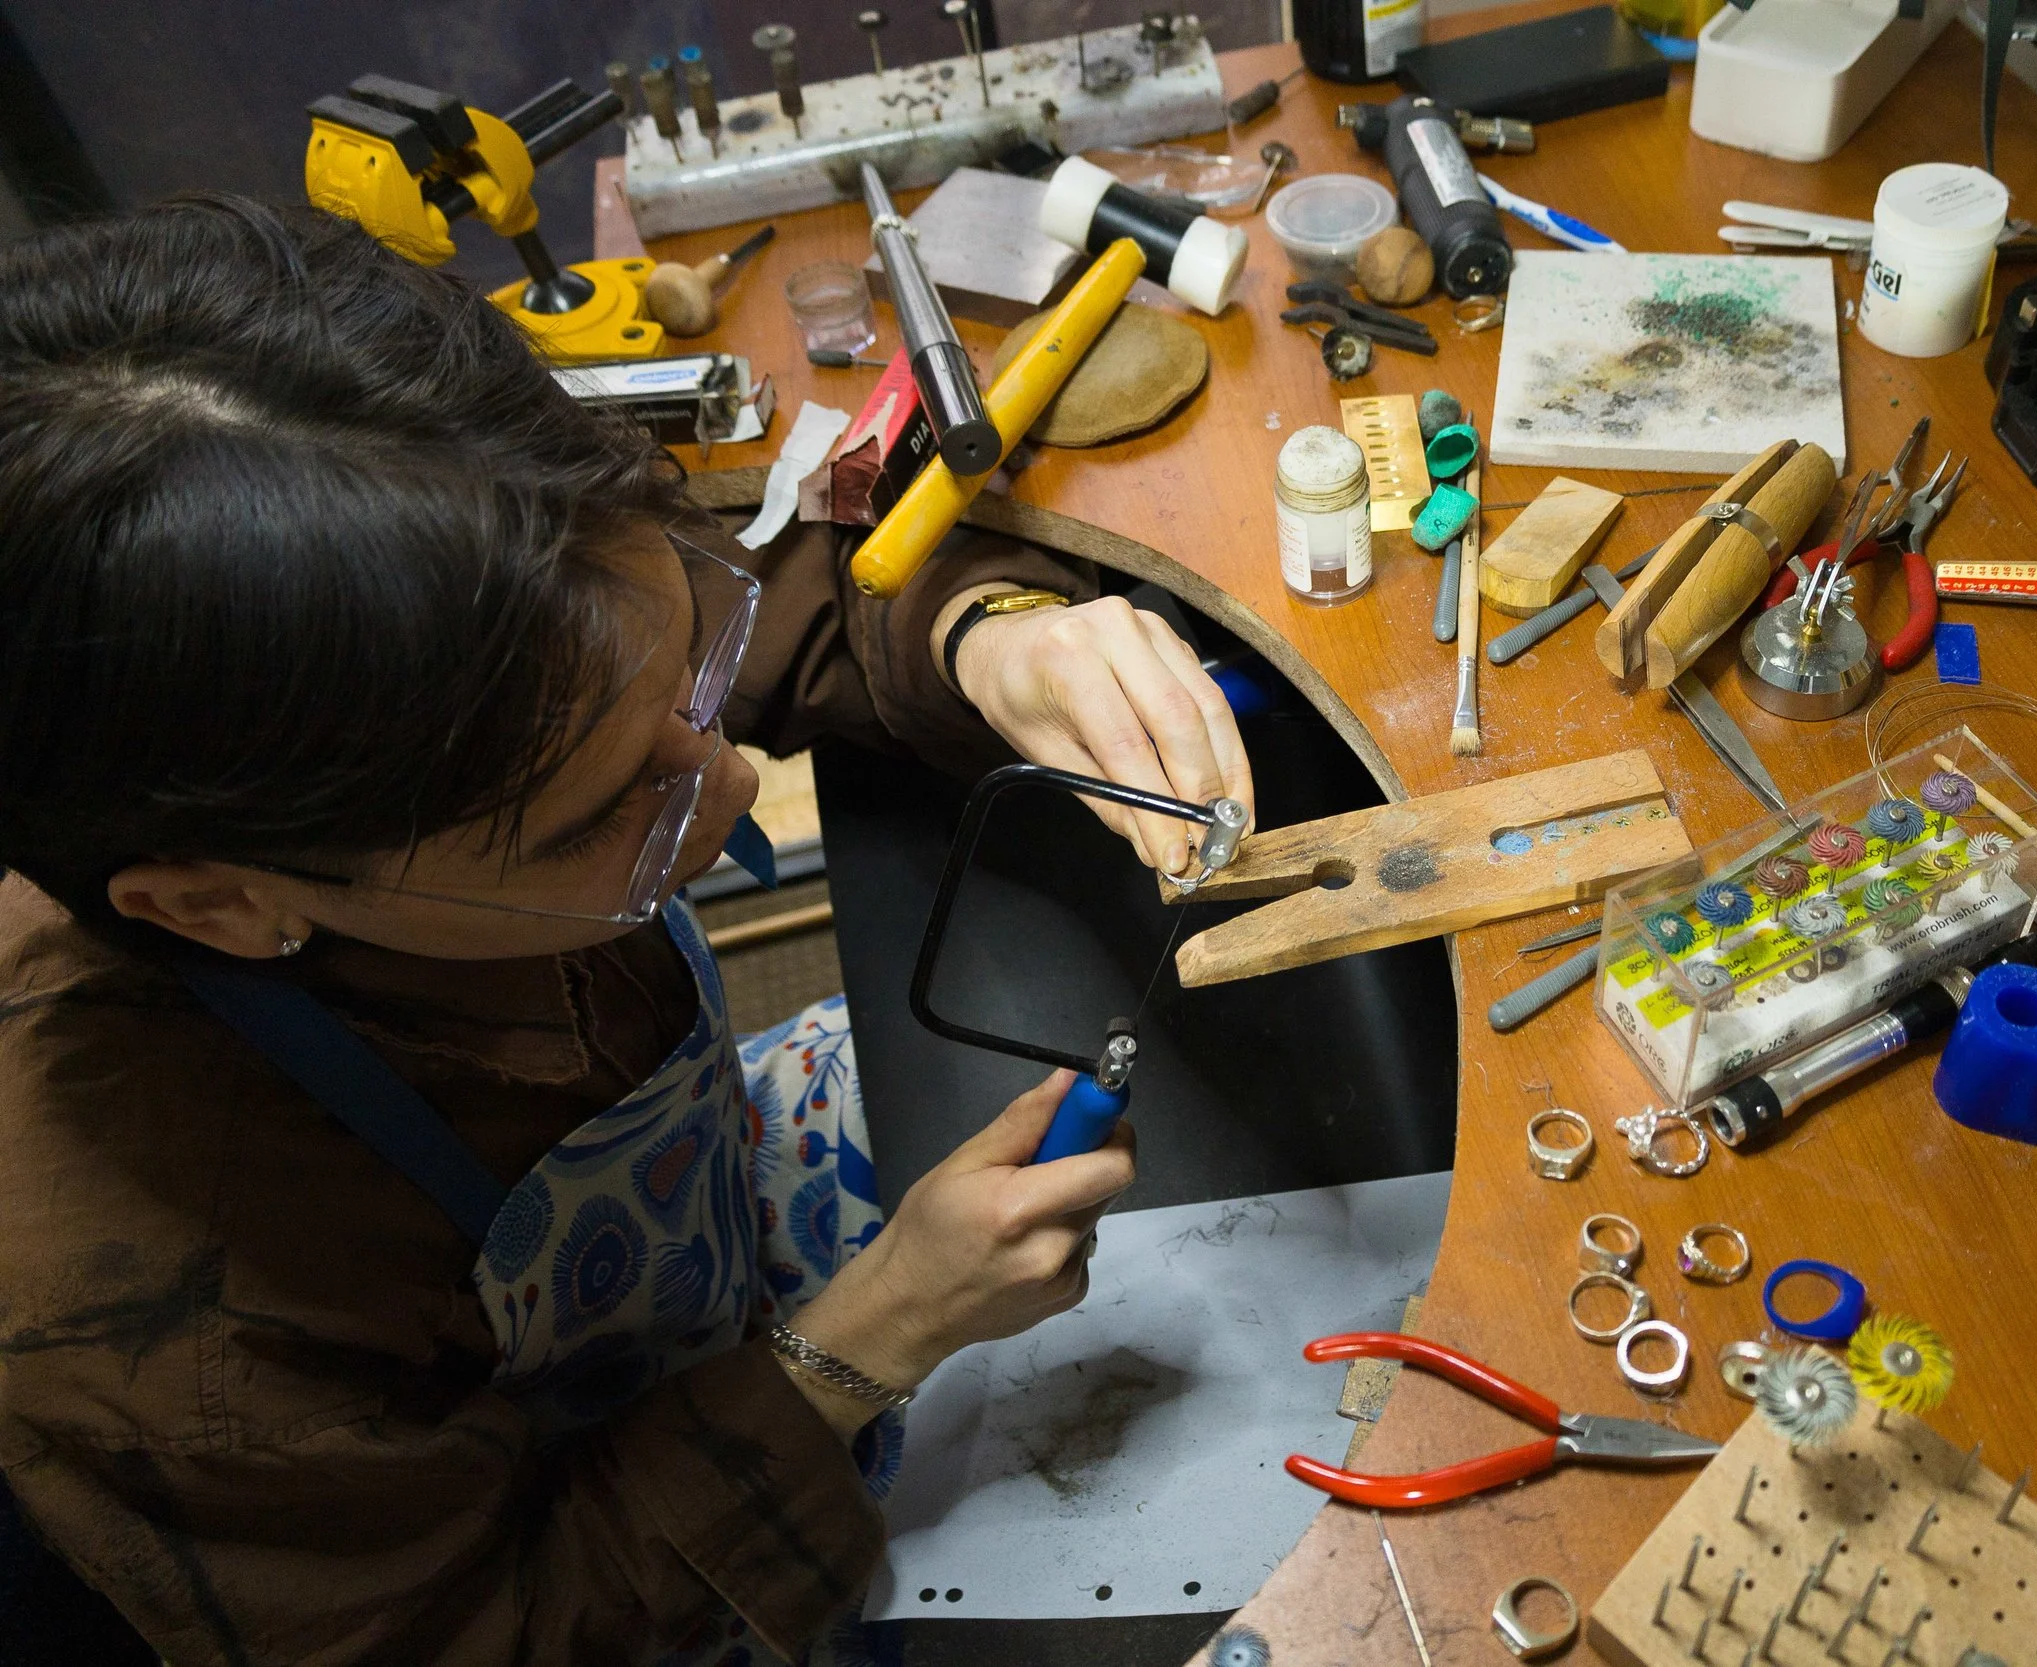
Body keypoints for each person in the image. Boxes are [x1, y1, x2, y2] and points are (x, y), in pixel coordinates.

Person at [0, 194, 1254, 1664]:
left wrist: (991, 638)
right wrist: (866, 1341)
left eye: (693, 677)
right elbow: (505, 1633)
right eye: (604, 818)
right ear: (224, 905)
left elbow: (769, 562)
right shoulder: (170, 1324)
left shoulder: (466, 544)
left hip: (714, 1223)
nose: (723, 773)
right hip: (627, 1540)